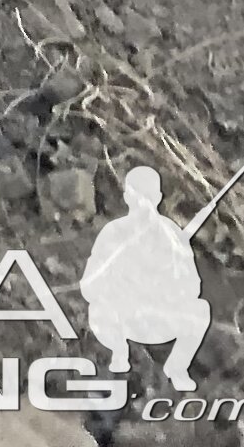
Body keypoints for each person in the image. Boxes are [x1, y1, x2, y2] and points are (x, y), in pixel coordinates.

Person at [80, 164, 211, 391]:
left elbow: (193, 287)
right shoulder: (113, 233)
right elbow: (89, 286)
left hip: (157, 318)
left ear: (159, 198)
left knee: (200, 310)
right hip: (121, 319)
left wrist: (171, 279)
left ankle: (177, 367)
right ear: (127, 196)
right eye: (137, 196)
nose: (143, 203)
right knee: (101, 309)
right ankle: (119, 354)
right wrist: (118, 275)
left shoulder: (172, 236)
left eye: (148, 197)